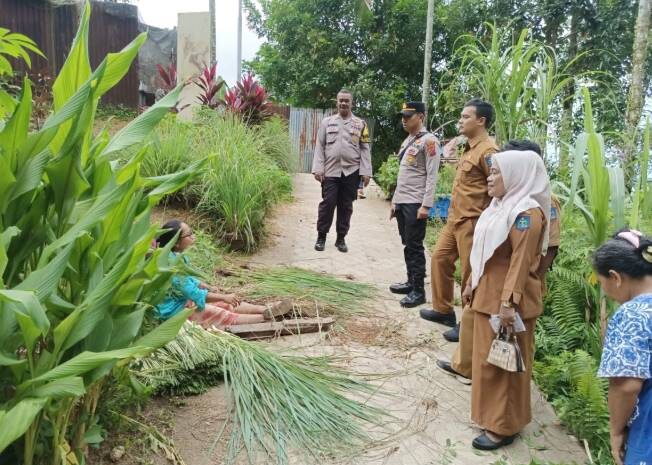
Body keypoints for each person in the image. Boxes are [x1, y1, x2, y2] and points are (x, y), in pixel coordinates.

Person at [467, 150, 551, 450]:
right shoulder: (500, 206)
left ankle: (504, 427)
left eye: (496, 173)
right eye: (490, 172)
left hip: (506, 303)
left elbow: (520, 262)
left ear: (517, 175)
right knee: (487, 363)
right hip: (486, 295)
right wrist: (470, 281)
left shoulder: (526, 214)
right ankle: (488, 416)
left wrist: (508, 304)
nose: (490, 177)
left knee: (506, 366)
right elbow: (483, 249)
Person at [420, 99, 499, 381]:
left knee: (470, 276)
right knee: (440, 258)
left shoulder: (489, 151)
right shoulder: (469, 148)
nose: (460, 121)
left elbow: (497, 189)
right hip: (455, 218)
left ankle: (466, 330)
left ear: (481, 121)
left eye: (466, 117)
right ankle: (443, 309)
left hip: (474, 222)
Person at [155, 219, 292, 329]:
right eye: (189, 235)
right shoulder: (168, 264)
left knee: (224, 304)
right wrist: (224, 296)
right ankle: (268, 318)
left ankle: (267, 309)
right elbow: (192, 293)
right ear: (176, 243)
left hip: (184, 301)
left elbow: (187, 280)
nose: (193, 236)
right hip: (175, 312)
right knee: (222, 313)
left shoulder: (175, 256)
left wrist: (203, 284)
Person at [594, 229, 652, 465]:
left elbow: (626, 385)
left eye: (601, 283)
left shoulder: (632, 316)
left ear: (615, 277)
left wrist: (616, 431)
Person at [389, 102, 441, 308]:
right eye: (403, 115)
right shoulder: (409, 140)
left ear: (420, 116)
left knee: (415, 246)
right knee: (407, 244)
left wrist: (426, 205)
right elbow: (403, 175)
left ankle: (418, 291)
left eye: (408, 116)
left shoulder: (430, 141)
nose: (404, 119)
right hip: (403, 201)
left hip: (415, 202)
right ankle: (410, 282)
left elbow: (432, 176)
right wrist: (394, 202)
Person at [311, 89, 372, 253]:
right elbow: (320, 146)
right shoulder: (327, 122)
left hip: (351, 172)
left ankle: (341, 239)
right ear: (337, 102)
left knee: (346, 206)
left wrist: (366, 172)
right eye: (341, 100)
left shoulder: (360, 124)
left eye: (347, 100)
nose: (343, 103)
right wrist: (318, 168)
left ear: (352, 103)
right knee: (328, 204)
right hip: (330, 171)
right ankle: (321, 237)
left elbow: (365, 149)